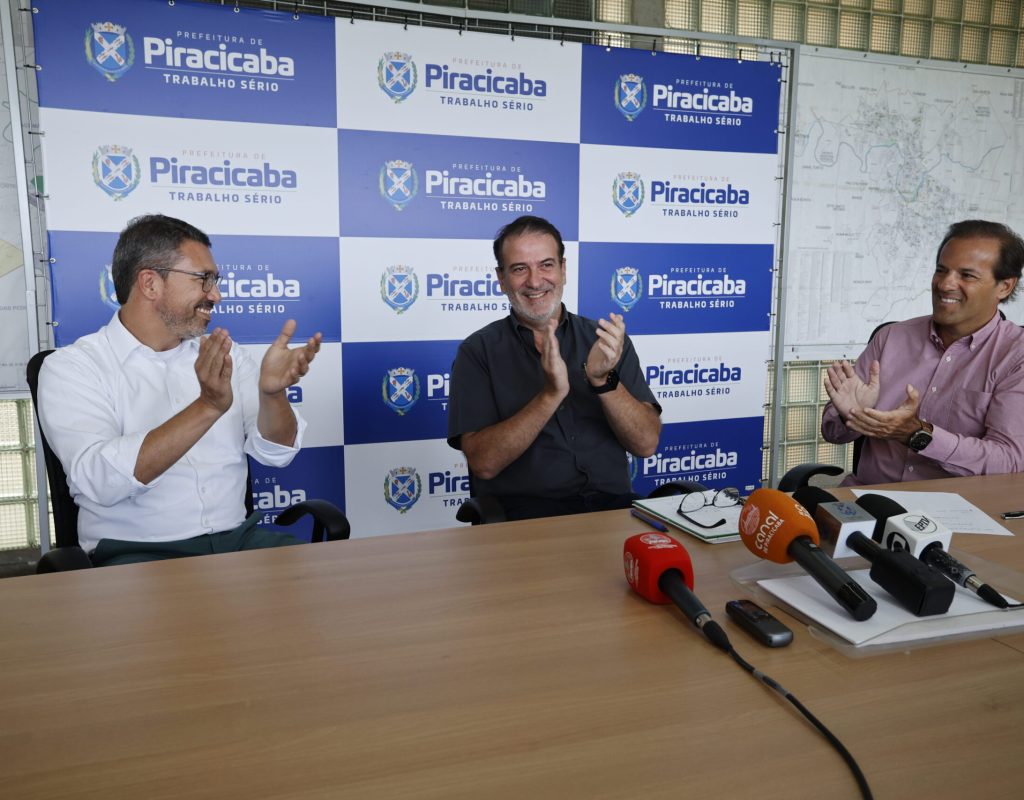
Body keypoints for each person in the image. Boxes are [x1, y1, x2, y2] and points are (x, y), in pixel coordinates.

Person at [37, 214, 322, 566]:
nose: (215, 295)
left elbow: (277, 454)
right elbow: (99, 480)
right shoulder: (72, 368)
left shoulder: (227, 356)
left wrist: (272, 395)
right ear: (150, 283)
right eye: (204, 279)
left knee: (325, 591)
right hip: (138, 554)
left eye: (214, 280)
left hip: (239, 541)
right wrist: (207, 407)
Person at [447, 215, 662, 520]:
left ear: (563, 269)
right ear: (501, 278)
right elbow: (483, 462)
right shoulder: (477, 352)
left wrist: (604, 381)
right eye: (520, 269)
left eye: (546, 265)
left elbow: (646, 444)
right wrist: (550, 395)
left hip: (613, 511)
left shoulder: (606, 342)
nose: (535, 281)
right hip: (526, 520)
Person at [822, 219, 1024, 485]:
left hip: (957, 513)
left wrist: (918, 434)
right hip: (870, 502)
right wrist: (854, 415)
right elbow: (832, 433)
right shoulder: (891, 337)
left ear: (1005, 286)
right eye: (941, 270)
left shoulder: (1016, 356)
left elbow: (1008, 460)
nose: (944, 284)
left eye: (967, 275)